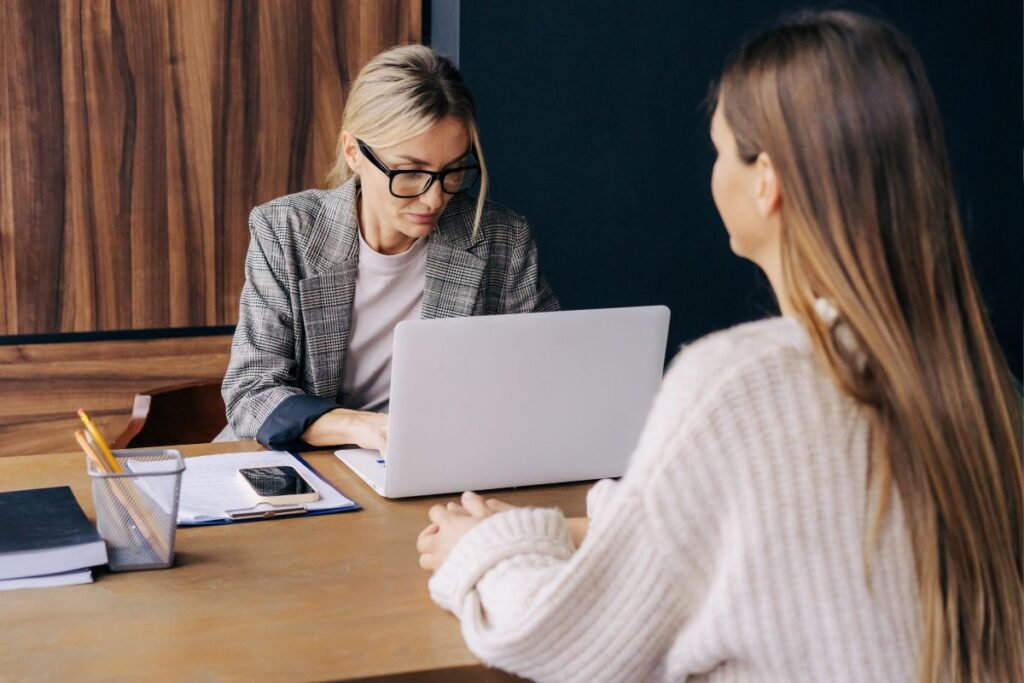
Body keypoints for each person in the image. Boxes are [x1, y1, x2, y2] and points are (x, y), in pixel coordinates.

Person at [416, 11, 1023, 682]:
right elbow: (777, 534)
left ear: (768, 183)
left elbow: (560, 636)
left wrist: (485, 549)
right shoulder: (983, 388)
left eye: (719, 149)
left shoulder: (740, 384)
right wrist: (605, 524)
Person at [221, 45, 558, 450]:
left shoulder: (501, 238)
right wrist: (360, 428)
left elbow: (543, 376)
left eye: (452, 172)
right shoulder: (286, 230)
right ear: (354, 153)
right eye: (411, 173)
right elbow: (251, 392)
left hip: (436, 461)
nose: (434, 199)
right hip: (301, 463)